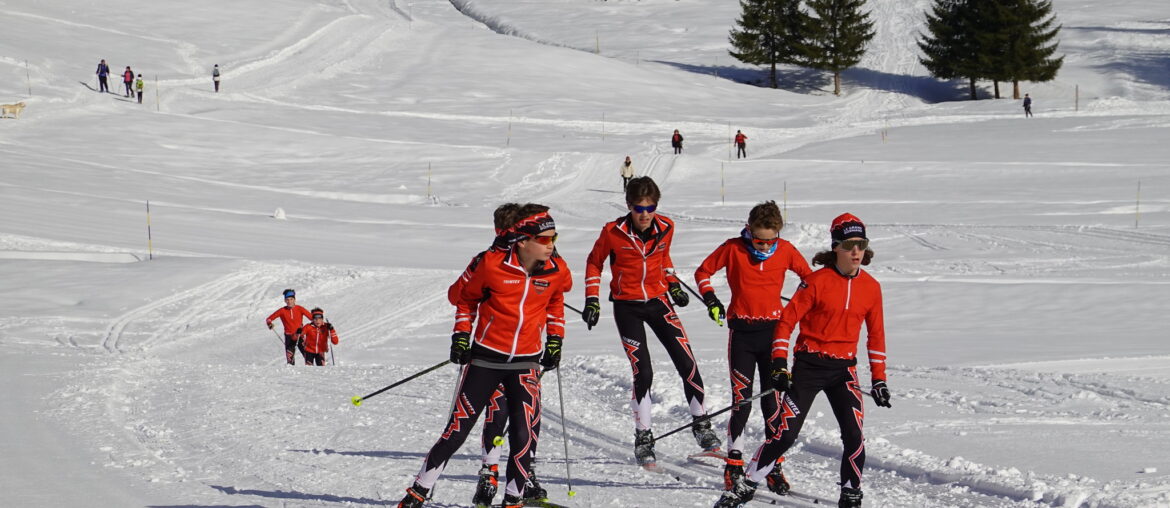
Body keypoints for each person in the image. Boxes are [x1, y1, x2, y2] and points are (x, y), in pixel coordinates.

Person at [398, 204, 571, 508]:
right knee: (457, 431)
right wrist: (461, 336)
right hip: (486, 359)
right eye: (545, 239)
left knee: (523, 434)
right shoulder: (491, 264)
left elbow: (555, 302)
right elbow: (463, 300)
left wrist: (555, 340)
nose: (551, 245)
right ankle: (418, 492)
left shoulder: (557, 270)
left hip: (526, 362)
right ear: (522, 241)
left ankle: (514, 499)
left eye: (554, 238)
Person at [714, 213, 890, 508]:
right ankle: (746, 485)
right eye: (849, 245)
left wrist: (880, 379)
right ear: (836, 246)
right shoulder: (815, 282)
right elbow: (785, 324)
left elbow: (877, 337)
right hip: (809, 368)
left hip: (843, 371)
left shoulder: (871, 287)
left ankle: (851, 495)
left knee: (855, 436)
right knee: (785, 436)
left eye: (861, 244)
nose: (856, 251)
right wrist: (780, 364)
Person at [582, 176, 721, 468]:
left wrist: (674, 286)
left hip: (659, 302)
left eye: (650, 208)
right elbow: (594, 262)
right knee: (643, 372)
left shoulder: (667, 227)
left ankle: (702, 425)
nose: (645, 215)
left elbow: (664, 259)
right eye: (639, 209)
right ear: (629, 206)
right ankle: (643, 436)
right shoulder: (613, 232)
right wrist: (592, 299)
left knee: (687, 362)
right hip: (627, 306)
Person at [693, 201, 810, 496]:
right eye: (759, 241)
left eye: (772, 240)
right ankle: (734, 464)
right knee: (741, 402)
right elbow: (703, 272)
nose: (766, 246)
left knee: (772, 403)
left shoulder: (786, 250)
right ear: (749, 231)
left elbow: (810, 281)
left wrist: (798, 306)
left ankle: (772, 464)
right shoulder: (733, 248)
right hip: (742, 335)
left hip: (773, 335)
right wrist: (711, 299)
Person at [448, 204, 551, 507]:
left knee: (527, 416)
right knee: (498, 410)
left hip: (525, 352)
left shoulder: (535, 262)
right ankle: (489, 472)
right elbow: (457, 296)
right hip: (491, 351)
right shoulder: (487, 260)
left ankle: (525, 472)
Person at [265, 289, 313, 365]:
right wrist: (269, 323)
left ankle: (311, 371)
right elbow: (269, 319)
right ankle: (291, 372)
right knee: (290, 361)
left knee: (308, 358)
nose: (289, 301)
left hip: (300, 336)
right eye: (287, 299)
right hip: (289, 337)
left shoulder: (300, 308)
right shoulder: (282, 310)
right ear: (285, 300)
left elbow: (312, 318)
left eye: (291, 299)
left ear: (294, 300)